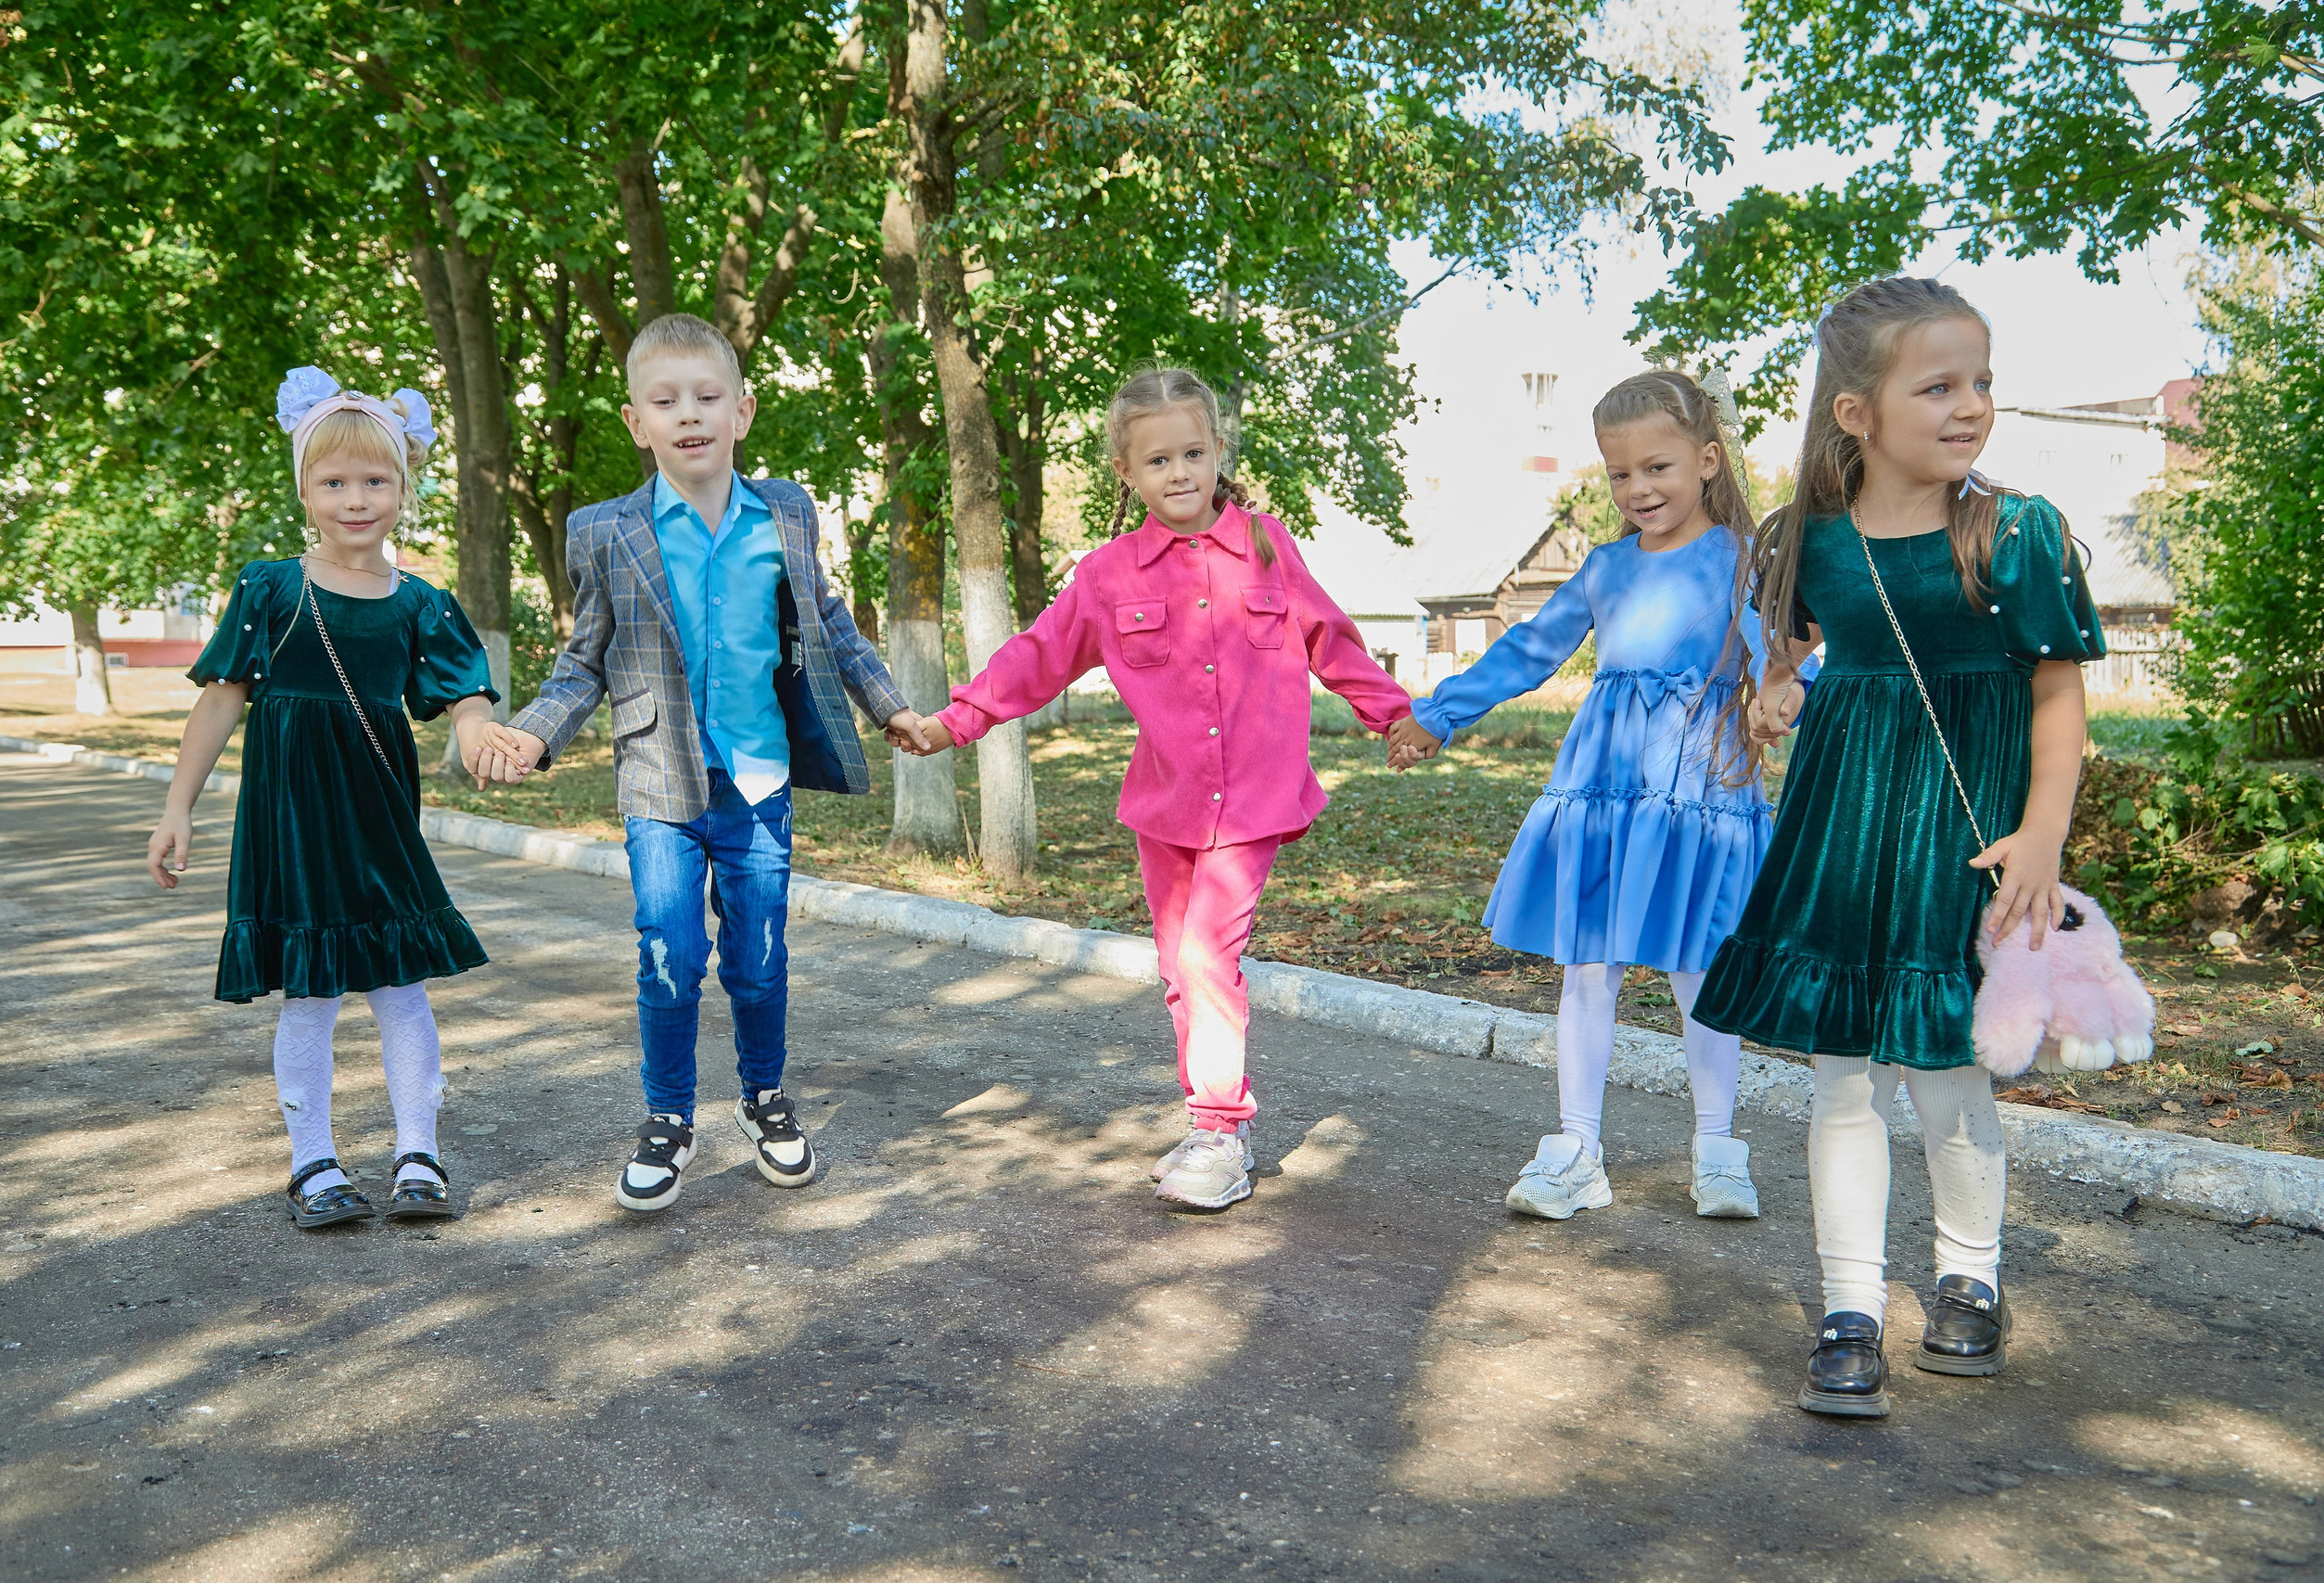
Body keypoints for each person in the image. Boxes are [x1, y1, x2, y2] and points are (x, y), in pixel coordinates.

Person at [1691, 277, 2104, 1418]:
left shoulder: (2016, 533)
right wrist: (1777, 686)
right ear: (1856, 414)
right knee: (1840, 1075)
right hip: (1843, 830)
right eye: (1938, 386)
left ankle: (1969, 1280)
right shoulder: (1804, 542)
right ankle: (1848, 1307)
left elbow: (2058, 698)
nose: (1970, 405)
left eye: (1981, 382)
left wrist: (2041, 838)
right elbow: (1790, 645)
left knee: (1947, 1066)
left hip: (1970, 839)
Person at [900, 366, 1416, 1209]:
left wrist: (1391, 715)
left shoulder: (1265, 545)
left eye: (1193, 453)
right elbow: (1037, 657)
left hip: (1253, 796)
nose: (1179, 473)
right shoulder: (1109, 575)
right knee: (1182, 967)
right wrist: (954, 720)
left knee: (1210, 954)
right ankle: (1216, 1122)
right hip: (1167, 802)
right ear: (1127, 474)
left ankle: (1219, 1126)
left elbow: (1333, 638)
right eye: (1158, 461)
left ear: (1219, 452)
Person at [477, 313, 930, 1213]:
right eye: (664, 400)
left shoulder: (786, 513)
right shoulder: (605, 532)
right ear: (635, 421)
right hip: (659, 782)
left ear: (742, 411)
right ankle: (668, 1119)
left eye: (707, 397)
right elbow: (584, 658)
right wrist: (535, 730)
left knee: (758, 959)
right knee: (669, 955)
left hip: (758, 780)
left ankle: (764, 1099)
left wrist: (892, 705)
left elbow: (831, 624)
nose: (688, 414)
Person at [1387, 370, 1814, 1221]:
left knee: (1702, 969)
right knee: (1590, 966)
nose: (1638, 488)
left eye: (1657, 467)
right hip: (1603, 790)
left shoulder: (1741, 558)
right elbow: (1527, 649)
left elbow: (1787, 654)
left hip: (1698, 789)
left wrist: (1789, 694)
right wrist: (1439, 714)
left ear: (1705, 459)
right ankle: (1577, 1148)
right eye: (1620, 473)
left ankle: (1718, 1148)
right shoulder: (1605, 566)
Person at [148, 367, 502, 1230]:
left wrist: (477, 730)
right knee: (310, 994)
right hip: (293, 825)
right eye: (334, 482)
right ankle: (314, 1164)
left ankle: (418, 1153)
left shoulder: (418, 603)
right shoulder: (270, 589)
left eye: (375, 481)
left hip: (379, 821)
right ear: (305, 488)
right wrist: (177, 806)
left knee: (400, 986)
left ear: (403, 489)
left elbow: (465, 692)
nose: (355, 499)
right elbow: (222, 697)